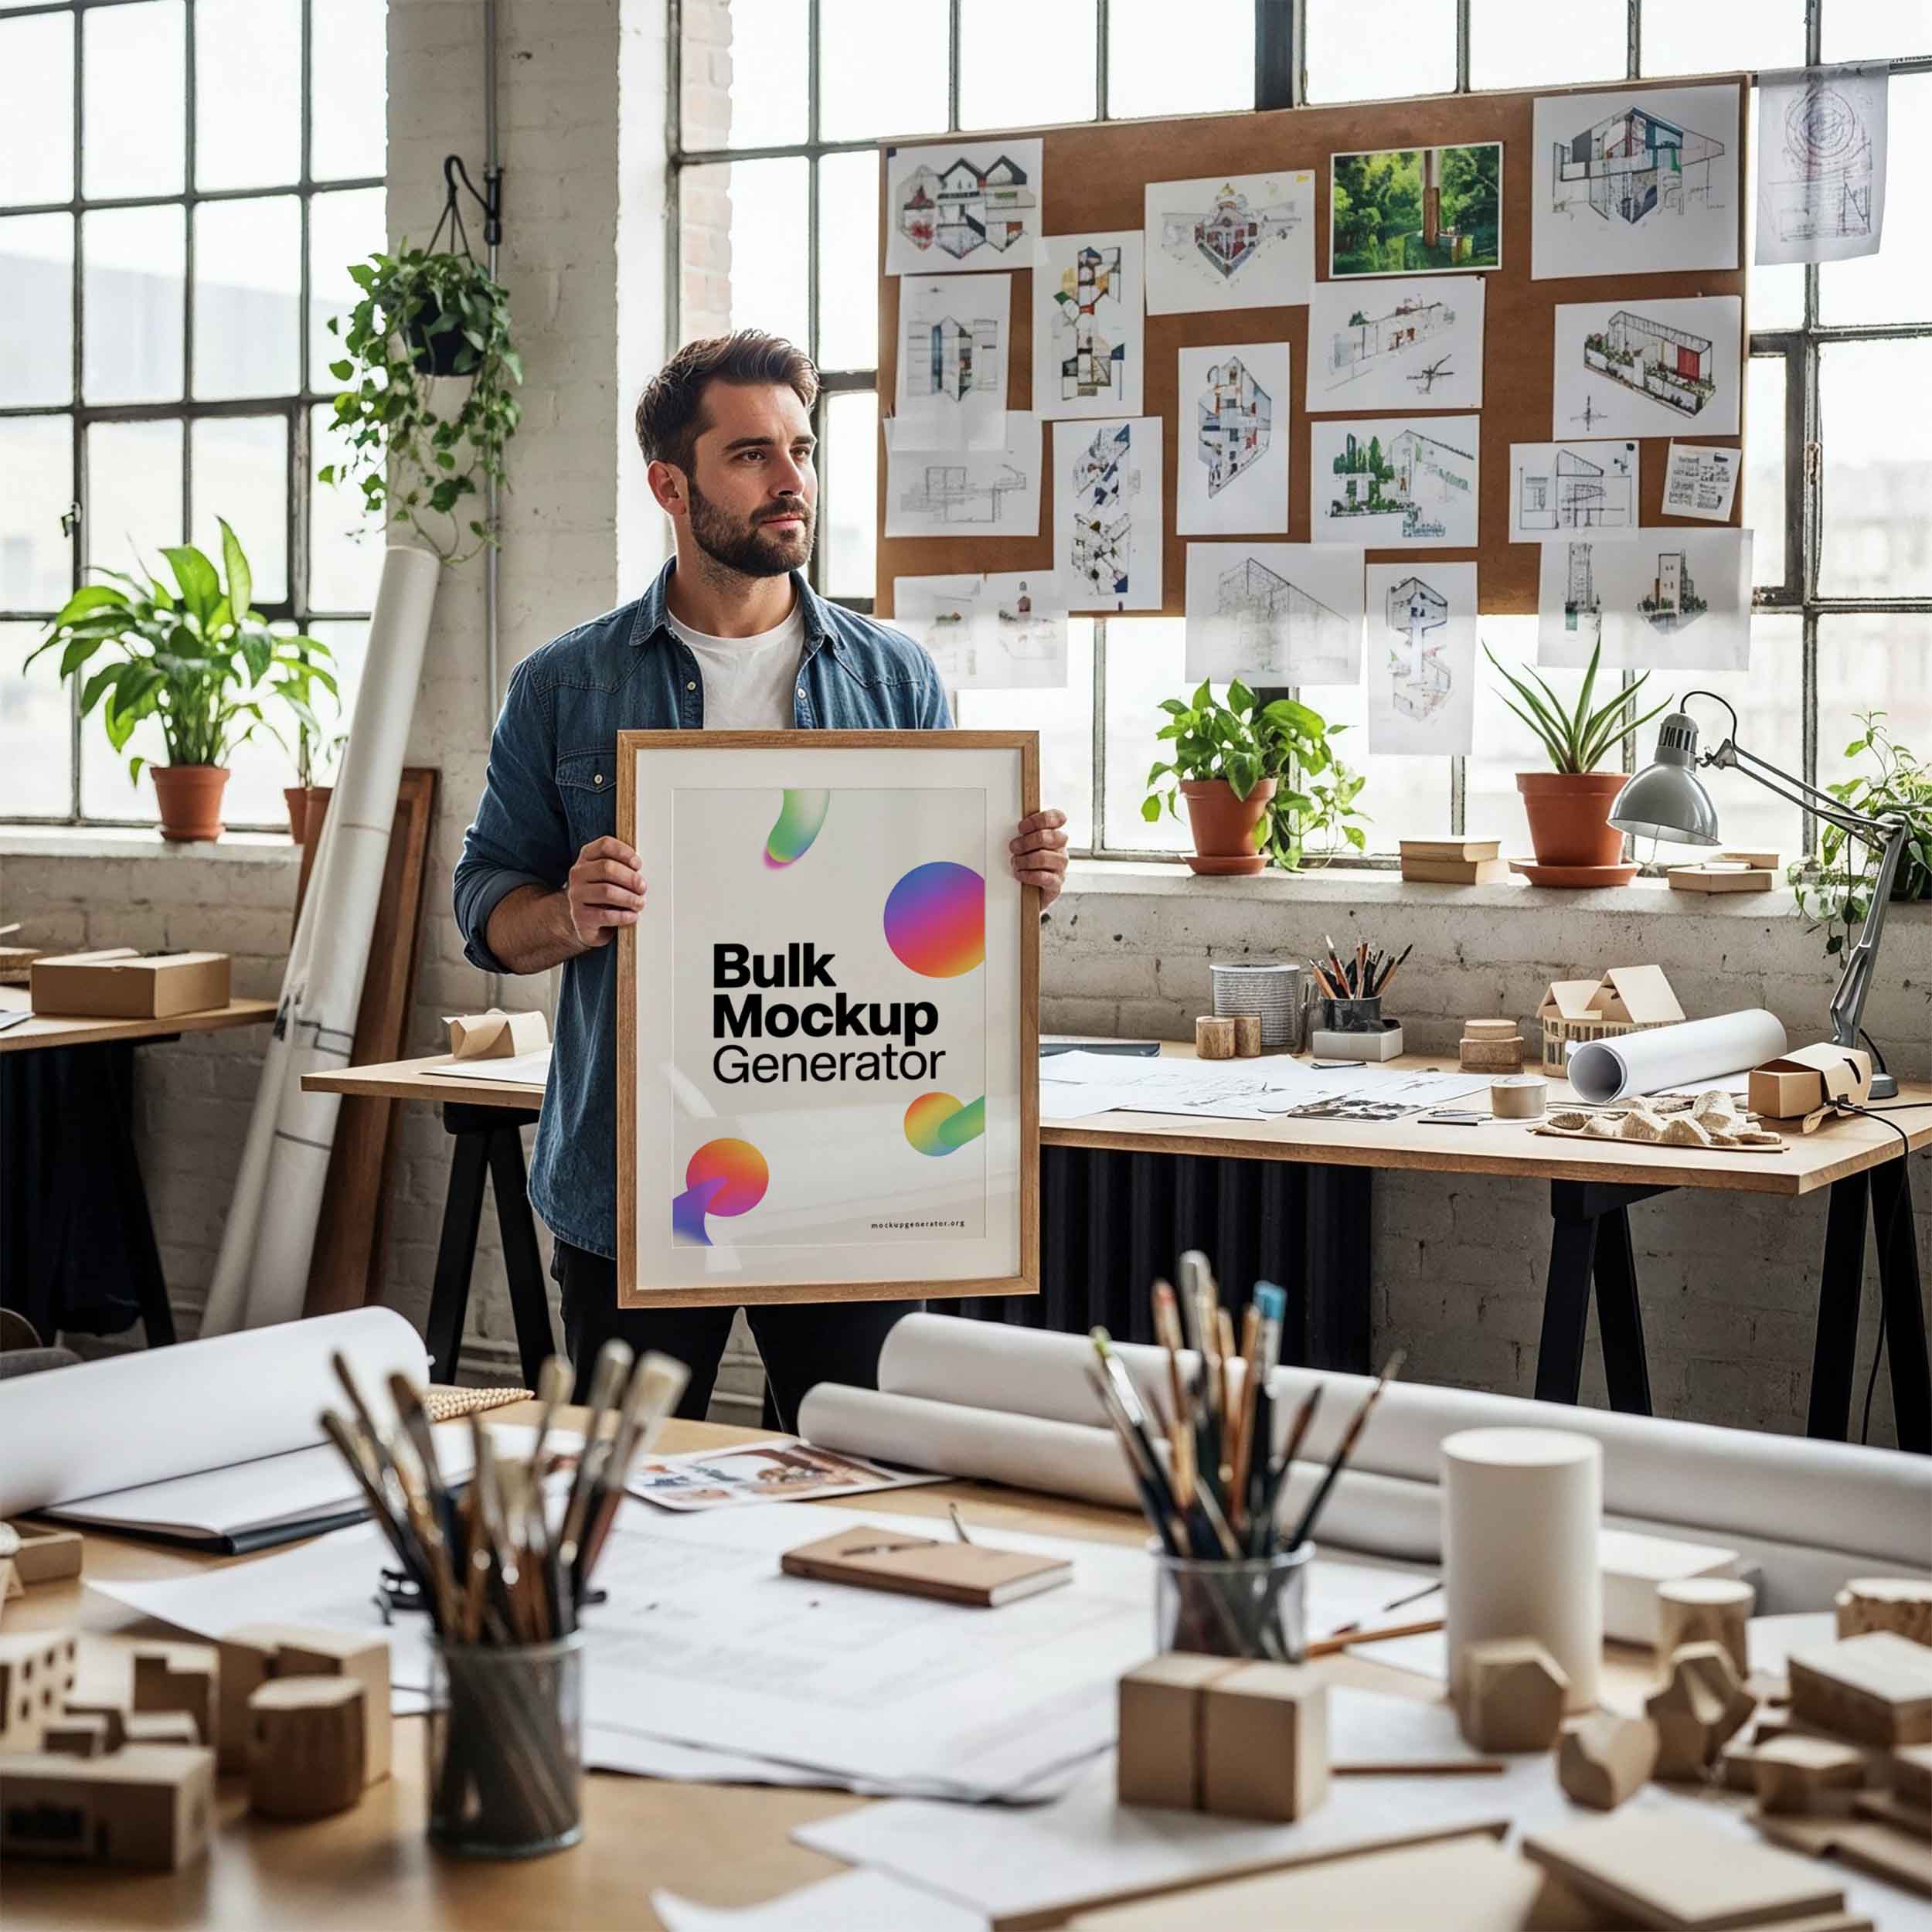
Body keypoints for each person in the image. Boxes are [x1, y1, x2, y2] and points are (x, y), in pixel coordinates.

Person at [453, 330, 1070, 1422]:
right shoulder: (563, 686)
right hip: (636, 1178)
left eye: (802, 447)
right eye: (751, 455)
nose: (792, 482)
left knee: (859, 1480)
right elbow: (487, 906)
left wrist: (1013, 875)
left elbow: (931, 920)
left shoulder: (894, 675)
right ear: (670, 484)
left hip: (854, 1167)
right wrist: (567, 914)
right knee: (628, 1491)